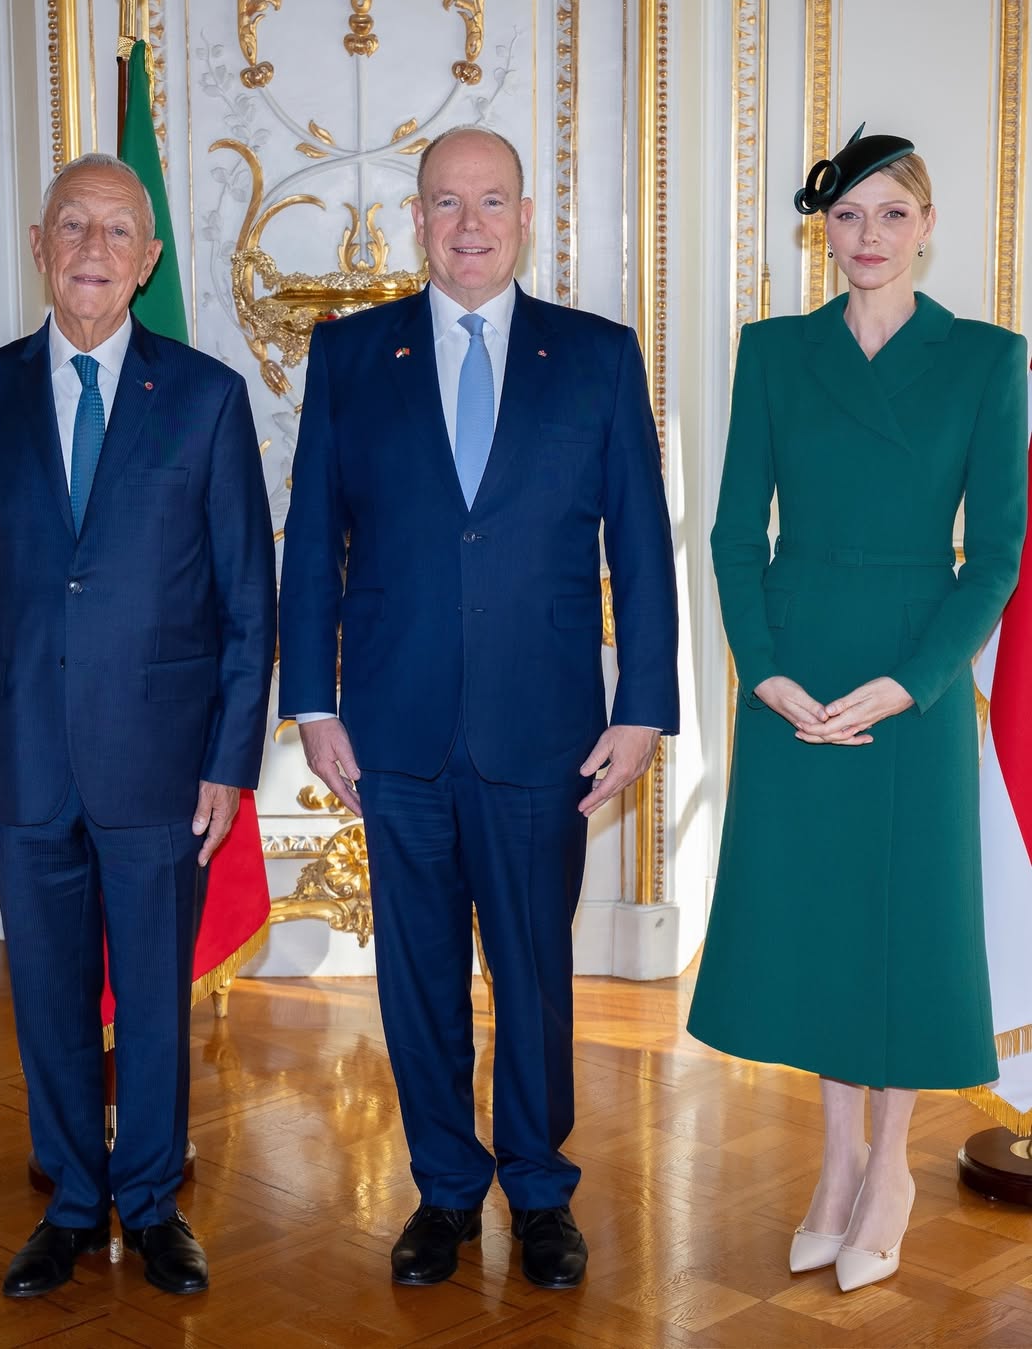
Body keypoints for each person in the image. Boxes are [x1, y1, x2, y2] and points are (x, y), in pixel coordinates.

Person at [278, 126, 678, 1289]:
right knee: (416, 976)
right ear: (416, 219)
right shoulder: (350, 355)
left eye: (490, 200)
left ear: (524, 216)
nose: (468, 222)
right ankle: (446, 1189)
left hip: (543, 726)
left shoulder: (597, 356)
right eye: (445, 201)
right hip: (392, 729)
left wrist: (642, 703)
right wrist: (314, 699)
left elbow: (642, 547)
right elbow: (313, 545)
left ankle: (540, 1187)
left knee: (534, 970)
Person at [687, 125, 1027, 1292]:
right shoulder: (773, 352)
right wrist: (762, 668)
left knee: (906, 922)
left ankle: (892, 1166)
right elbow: (735, 533)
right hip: (795, 663)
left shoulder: (991, 359)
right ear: (820, 230)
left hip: (914, 672)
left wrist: (918, 680)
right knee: (824, 915)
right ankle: (832, 1162)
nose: (867, 237)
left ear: (928, 226)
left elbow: (994, 555)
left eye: (891, 214)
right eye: (846, 216)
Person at [0, 154, 276, 1297]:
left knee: (151, 993)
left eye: (118, 230)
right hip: (21, 755)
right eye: (73, 225)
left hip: (162, 761)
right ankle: (72, 1202)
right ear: (41, 247)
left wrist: (232, 763)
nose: (94, 246)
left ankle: (150, 1199)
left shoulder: (204, 396)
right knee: (43, 991)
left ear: (147, 262)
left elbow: (250, 601)